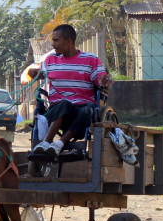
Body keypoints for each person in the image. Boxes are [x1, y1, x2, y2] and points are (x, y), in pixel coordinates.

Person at [28, 24, 112, 157]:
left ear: (68, 42)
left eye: (56, 40)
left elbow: (101, 78)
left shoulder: (90, 59)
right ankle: (45, 143)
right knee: (64, 103)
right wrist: (33, 72)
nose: (52, 44)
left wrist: (104, 80)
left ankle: (59, 144)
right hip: (58, 111)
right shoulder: (50, 60)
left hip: (81, 111)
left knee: (89, 109)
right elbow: (40, 74)